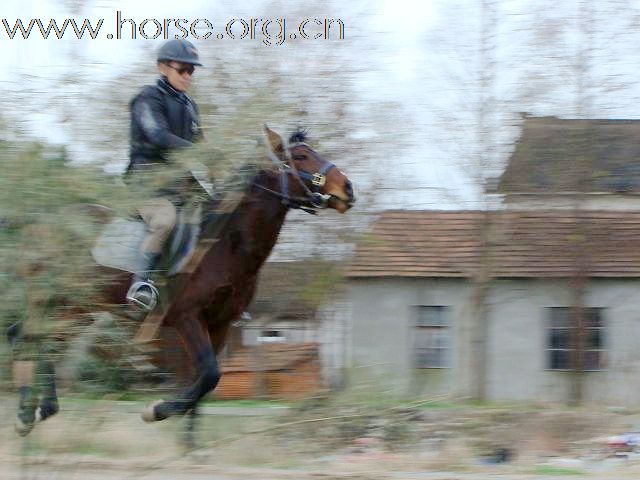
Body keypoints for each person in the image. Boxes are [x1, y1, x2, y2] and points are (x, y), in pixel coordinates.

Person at [125, 39, 203, 310]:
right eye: (182, 69)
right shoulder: (147, 99)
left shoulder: (191, 107)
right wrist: (196, 151)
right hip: (147, 185)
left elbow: (201, 147)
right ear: (163, 68)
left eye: (191, 71)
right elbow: (157, 136)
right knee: (165, 220)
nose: (187, 76)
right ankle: (141, 284)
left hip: (180, 186)